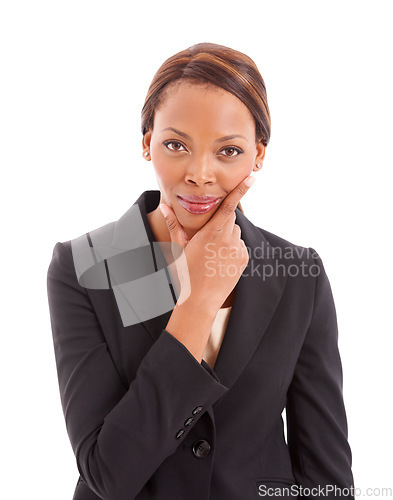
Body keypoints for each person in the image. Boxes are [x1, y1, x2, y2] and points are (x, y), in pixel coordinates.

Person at [47, 42, 355, 500]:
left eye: (228, 150)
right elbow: (108, 474)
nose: (199, 173)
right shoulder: (87, 264)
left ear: (259, 155)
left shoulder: (297, 274)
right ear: (147, 142)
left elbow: (326, 477)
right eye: (176, 144)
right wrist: (197, 304)